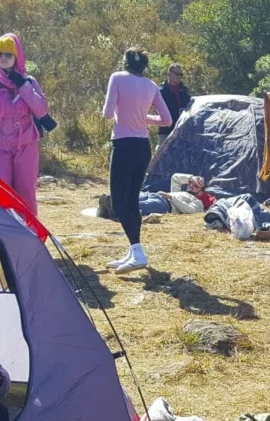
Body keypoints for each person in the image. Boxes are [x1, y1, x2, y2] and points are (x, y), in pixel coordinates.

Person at [101, 47, 172, 274]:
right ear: (145, 65)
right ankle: (133, 252)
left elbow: (107, 112)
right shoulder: (151, 86)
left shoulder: (117, 78)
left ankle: (138, 251)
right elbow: (166, 119)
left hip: (123, 145)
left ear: (125, 62)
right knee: (132, 200)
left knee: (119, 201)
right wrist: (143, 117)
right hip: (142, 147)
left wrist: (125, 114)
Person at [0, 33, 48, 215]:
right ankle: (5, 236)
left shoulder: (29, 81)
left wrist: (23, 87)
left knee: (26, 191)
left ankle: (30, 234)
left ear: (17, 56)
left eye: (8, 54)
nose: (3, 58)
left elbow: (41, 110)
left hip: (25, 145)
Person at [157, 63, 191, 147]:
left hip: (183, 130)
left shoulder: (184, 90)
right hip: (166, 131)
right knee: (163, 156)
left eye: (181, 74)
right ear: (169, 74)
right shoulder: (161, 91)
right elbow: (157, 110)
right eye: (177, 74)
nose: (179, 76)